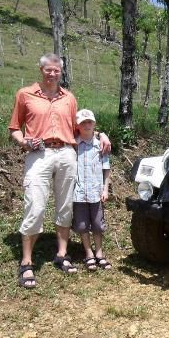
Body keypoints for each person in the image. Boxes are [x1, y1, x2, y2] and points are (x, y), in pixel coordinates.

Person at [9, 54, 110, 289]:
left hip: (66, 153)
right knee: (35, 205)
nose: (52, 74)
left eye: (56, 70)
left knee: (65, 206)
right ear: (41, 70)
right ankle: (26, 261)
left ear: (61, 72)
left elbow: (79, 128)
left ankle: (62, 254)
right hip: (39, 154)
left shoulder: (69, 98)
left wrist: (100, 134)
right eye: (48, 70)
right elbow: (14, 127)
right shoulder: (25, 94)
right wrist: (23, 142)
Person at [73, 109, 112, 271]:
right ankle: (88, 253)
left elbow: (106, 168)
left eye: (89, 122)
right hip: (78, 193)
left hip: (96, 193)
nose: (86, 125)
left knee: (97, 224)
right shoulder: (73, 145)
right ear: (77, 126)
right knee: (82, 225)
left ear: (94, 124)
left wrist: (105, 189)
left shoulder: (100, 145)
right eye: (83, 122)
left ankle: (99, 253)